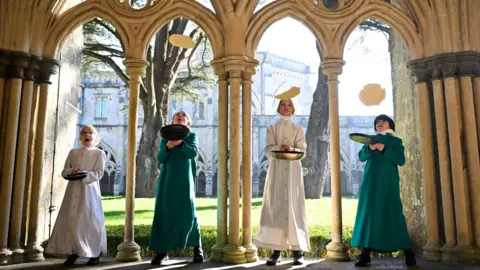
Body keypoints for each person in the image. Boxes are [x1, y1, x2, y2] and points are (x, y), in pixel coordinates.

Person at [351, 114, 416, 267]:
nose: (379, 123)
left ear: (390, 124)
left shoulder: (396, 141)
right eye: (377, 122)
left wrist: (384, 148)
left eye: (383, 121)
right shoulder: (370, 140)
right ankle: (365, 254)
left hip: (388, 183)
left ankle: (409, 254)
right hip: (370, 184)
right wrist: (369, 148)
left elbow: (401, 160)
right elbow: (361, 157)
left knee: (393, 213)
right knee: (369, 215)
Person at [253, 98, 310, 266]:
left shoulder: (298, 129)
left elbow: (302, 150)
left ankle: (297, 251)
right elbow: (268, 149)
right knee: (276, 206)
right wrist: (278, 148)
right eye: (283, 105)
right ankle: (276, 250)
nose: (286, 108)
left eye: (289, 105)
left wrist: (291, 149)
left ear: (294, 108)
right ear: (278, 108)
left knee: (294, 206)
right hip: (277, 169)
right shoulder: (271, 128)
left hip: (293, 170)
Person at [45, 125, 107, 266]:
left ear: (95, 136)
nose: (87, 135)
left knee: (89, 220)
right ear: (80, 137)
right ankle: (74, 252)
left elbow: (99, 173)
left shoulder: (98, 153)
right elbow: (65, 170)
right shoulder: (73, 152)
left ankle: (94, 254)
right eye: (84, 132)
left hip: (89, 191)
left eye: (90, 132)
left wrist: (84, 174)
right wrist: (72, 171)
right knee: (71, 220)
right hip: (72, 190)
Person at [149, 110, 204, 265]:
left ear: (188, 122)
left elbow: (192, 153)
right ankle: (163, 251)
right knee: (165, 212)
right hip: (167, 180)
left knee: (189, 211)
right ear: (172, 121)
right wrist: (167, 146)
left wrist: (180, 143)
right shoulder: (165, 139)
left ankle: (197, 249)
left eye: (183, 116)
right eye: (177, 116)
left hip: (185, 181)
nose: (180, 116)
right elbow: (160, 158)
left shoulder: (192, 136)